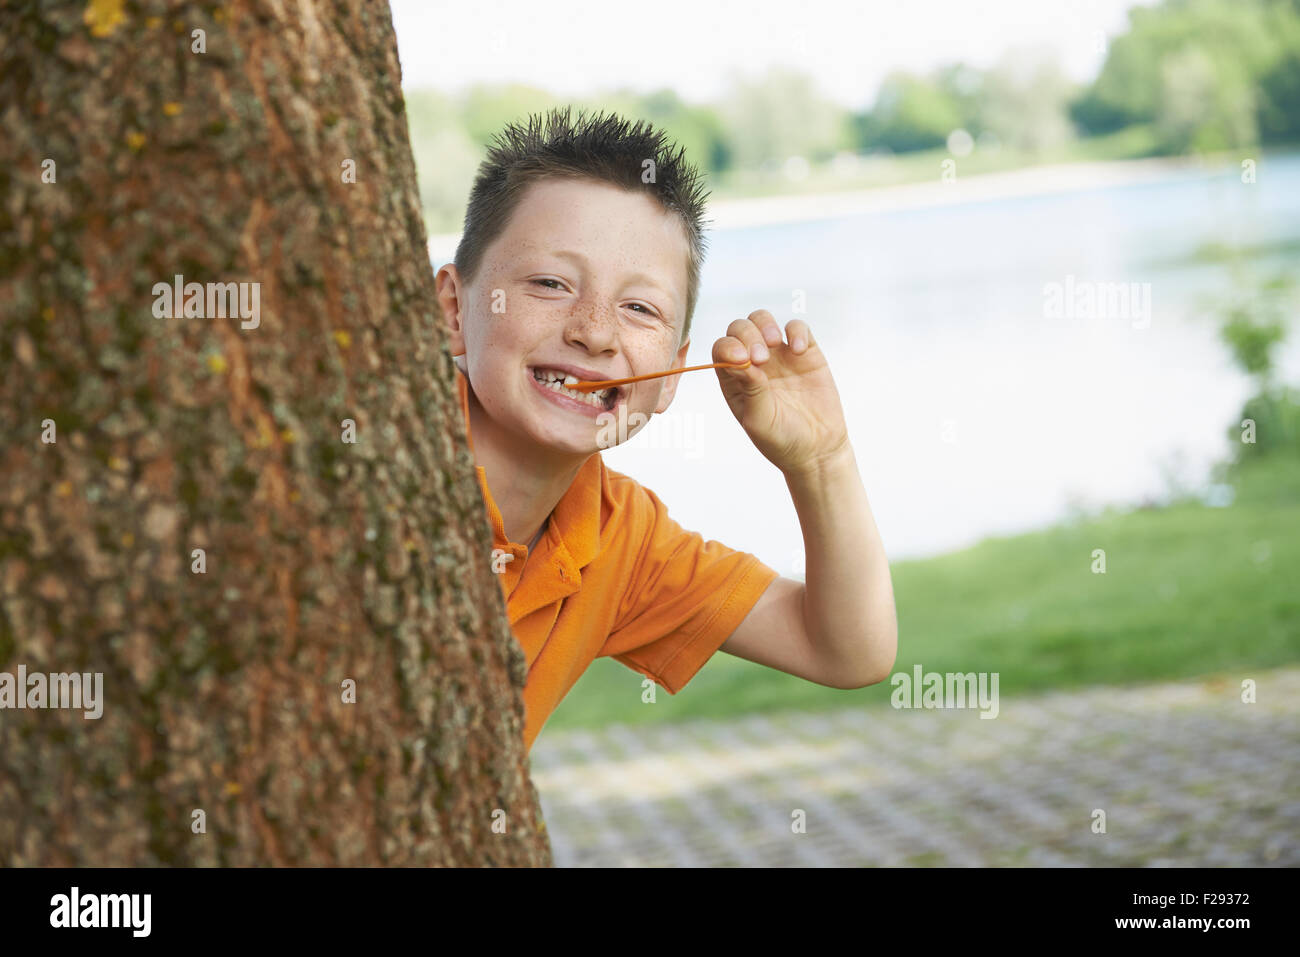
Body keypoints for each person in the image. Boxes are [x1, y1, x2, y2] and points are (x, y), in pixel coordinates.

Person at [435, 106, 896, 753]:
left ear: (674, 374)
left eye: (639, 307)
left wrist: (822, 460)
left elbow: (848, 650)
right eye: (549, 282)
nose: (593, 331)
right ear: (453, 310)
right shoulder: (370, 457)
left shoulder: (620, 537)